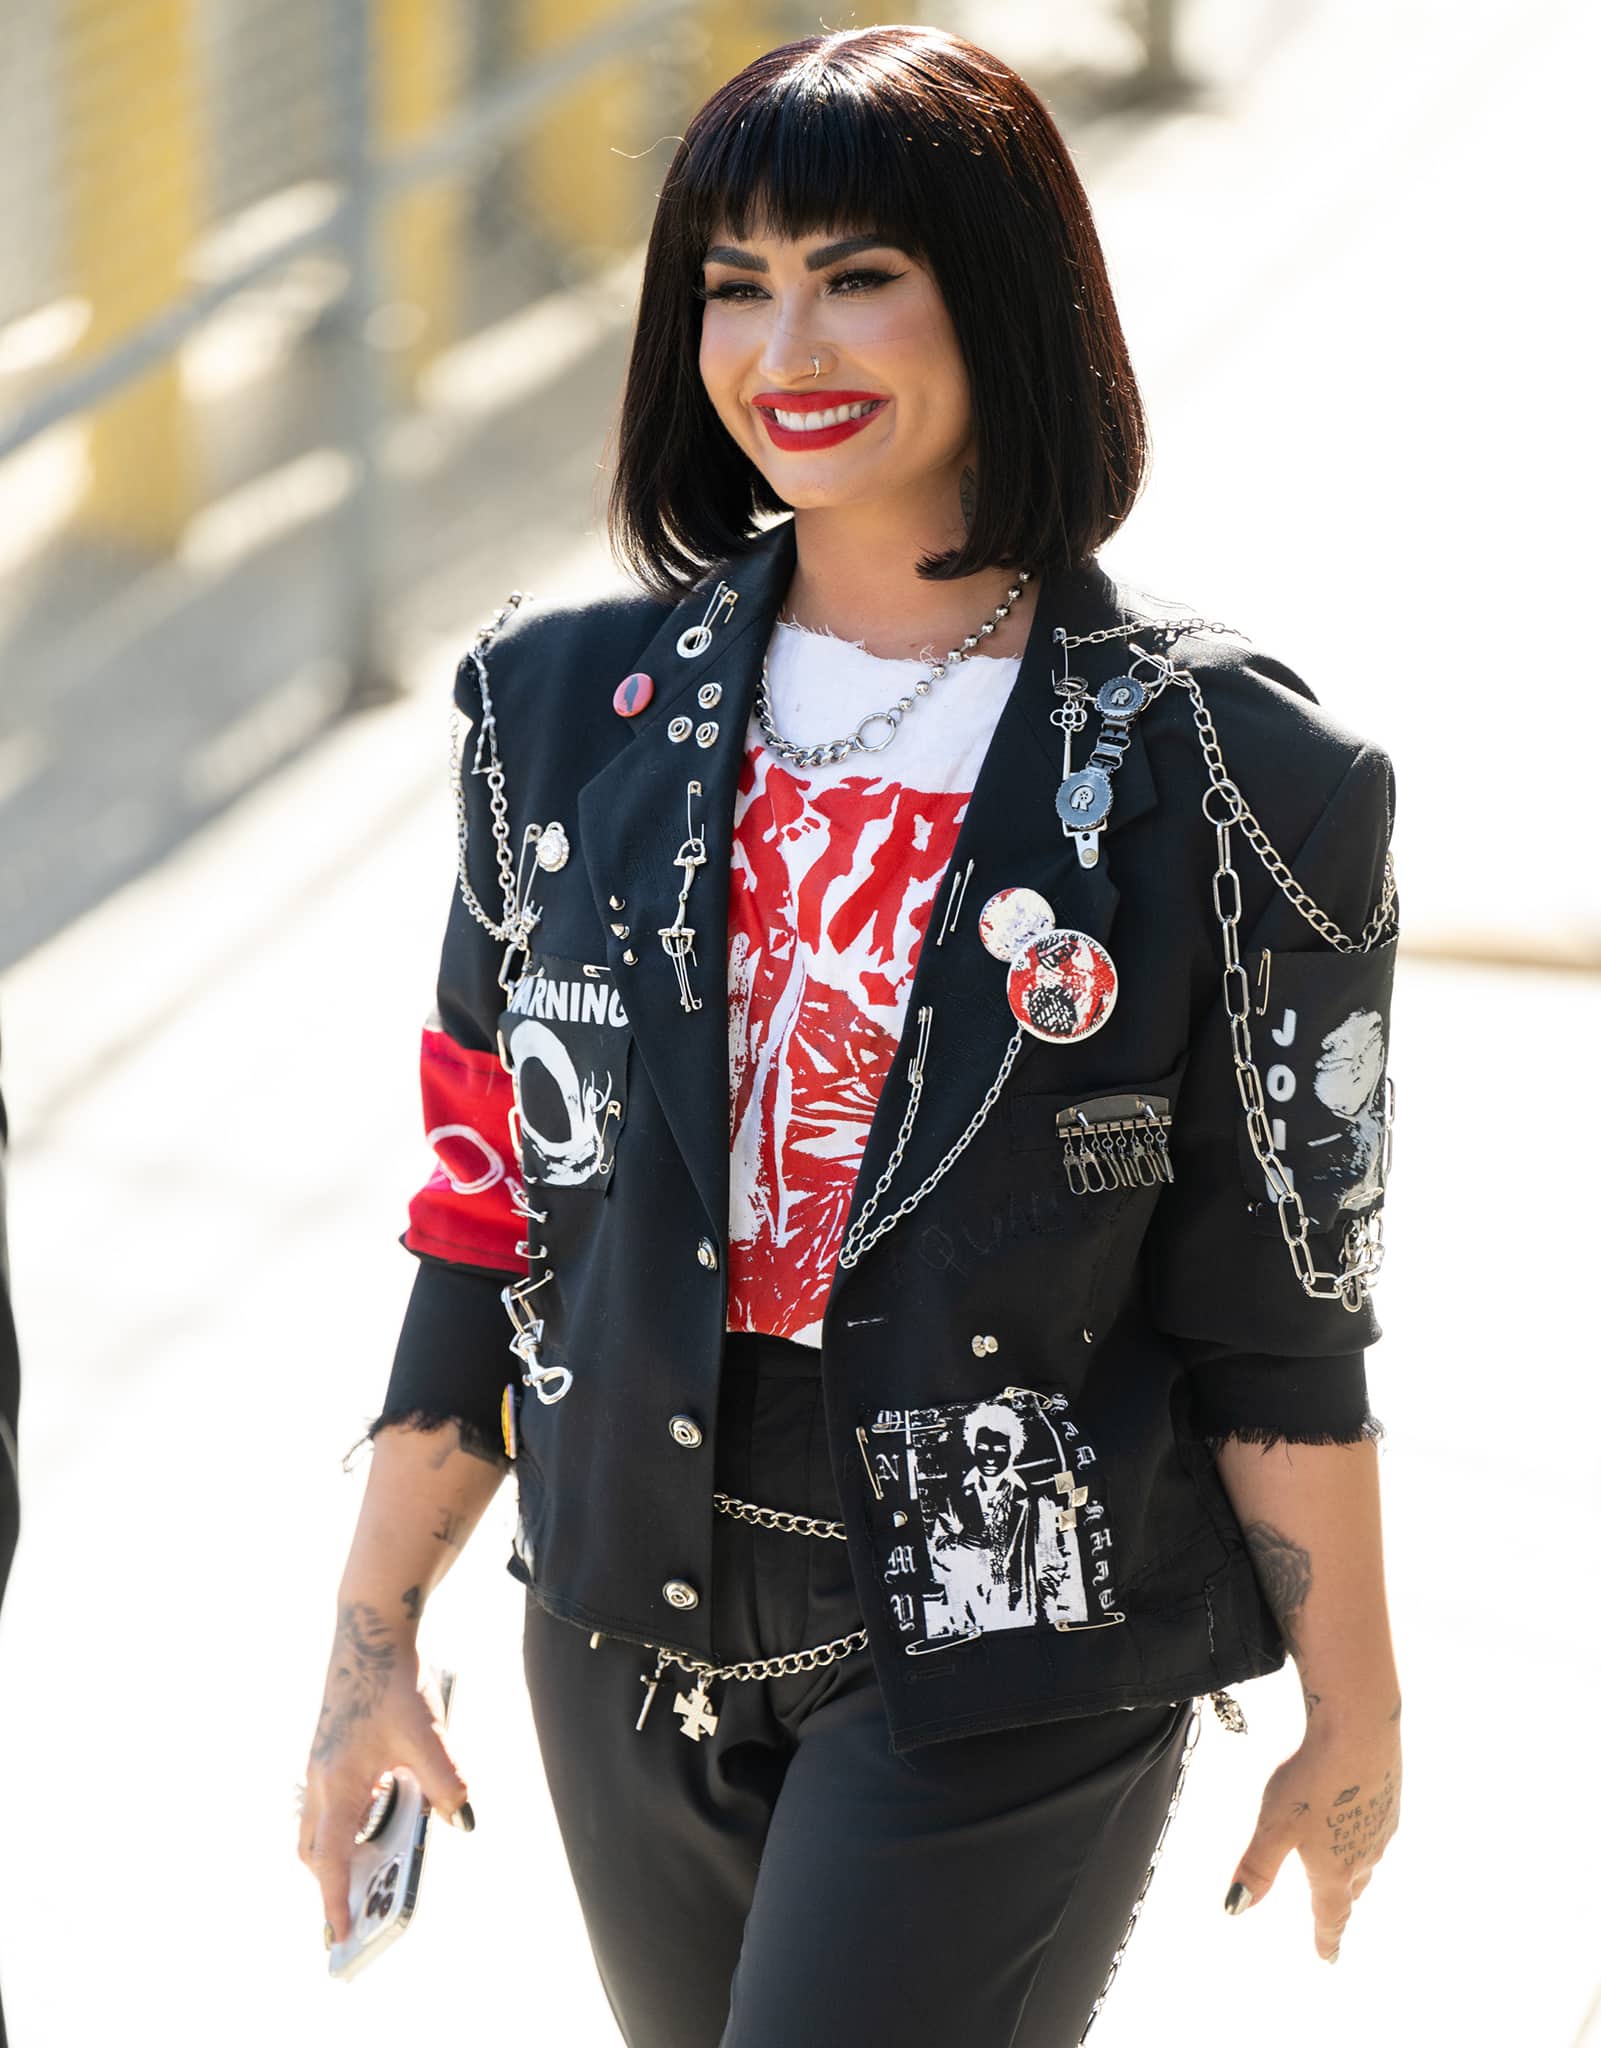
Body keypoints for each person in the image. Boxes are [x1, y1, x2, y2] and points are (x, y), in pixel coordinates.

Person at [299, 26, 1403, 2044]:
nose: (783, 344)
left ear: (1004, 296)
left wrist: (1355, 1710)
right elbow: (488, 1195)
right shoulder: (554, 714)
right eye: (735, 285)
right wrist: (371, 1637)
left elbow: (1281, 1295)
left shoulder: (1237, 773)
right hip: (620, 1609)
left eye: (857, 275)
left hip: (1012, 1629)